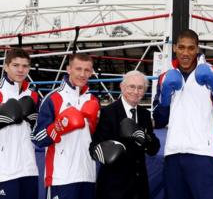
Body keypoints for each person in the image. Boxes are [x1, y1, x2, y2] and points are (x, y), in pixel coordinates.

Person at [152, 29, 213, 199]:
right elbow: (159, 121)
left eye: (191, 48)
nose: (185, 53)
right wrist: (165, 98)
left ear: (197, 49)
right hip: (173, 154)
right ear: (174, 48)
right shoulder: (165, 78)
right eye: (181, 47)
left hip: (204, 155)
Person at [32, 53, 100, 199]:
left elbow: (96, 138)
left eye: (87, 70)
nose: (82, 74)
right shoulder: (53, 98)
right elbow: (37, 138)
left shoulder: (93, 100)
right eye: (78, 69)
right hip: (61, 177)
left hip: (88, 175)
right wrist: (57, 128)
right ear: (69, 69)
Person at [90, 70, 160, 199]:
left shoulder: (144, 114)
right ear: (122, 87)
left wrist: (145, 139)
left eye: (140, 88)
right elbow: (94, 147)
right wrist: (108, 152)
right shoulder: (108, 112)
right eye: (131, 86)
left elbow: (153, 149)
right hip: (113, 188)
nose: (136, 91)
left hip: (139, 188)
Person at [0, 48, 39, 199]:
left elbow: (38, 133)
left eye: (25, 66)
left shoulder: (33, 95)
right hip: (4, 171)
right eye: (16, 65)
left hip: (29, 169)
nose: (21, 70)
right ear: (6, 66)